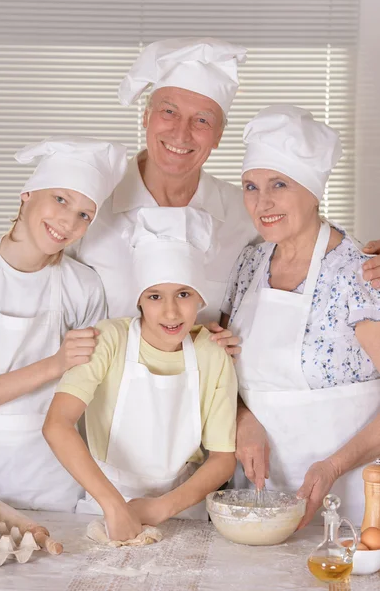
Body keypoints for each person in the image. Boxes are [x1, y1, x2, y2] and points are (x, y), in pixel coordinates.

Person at [221, 105, 380, 527]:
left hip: (349, 501)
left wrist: (333, 466)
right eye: (250, 186)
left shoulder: (358, 272)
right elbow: (217, 364)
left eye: (279, 184)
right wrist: (243, 420)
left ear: (314, 191)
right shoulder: (249, 264)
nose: (263, 202)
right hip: (259, 495)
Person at [43, 206, 237, 542]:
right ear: (140, 300)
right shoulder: (109, 340)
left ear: (200, 298)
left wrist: (160, 508)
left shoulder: (212, 353)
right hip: (104, 508)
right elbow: (56, 425)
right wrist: (115, 506)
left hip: (182, 511)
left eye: (184, 294)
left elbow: (222, 459)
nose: (171, 311)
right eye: (155, 296)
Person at [0, 137, 127, 512]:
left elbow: (87, 392)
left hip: (51, 480)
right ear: (27, 194)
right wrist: (54, 364)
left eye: (84, 215)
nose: (68, 222)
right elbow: (64, 368)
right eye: (60, 199)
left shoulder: (85, 286)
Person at [69, 37, 256, 331]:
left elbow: (300, 248)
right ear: (146, 117)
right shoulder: (90, 204)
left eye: (203, 121)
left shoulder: (244, 214)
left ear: (218, 136)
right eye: (169, 112)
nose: (181, 134)